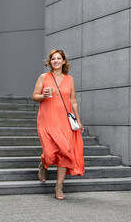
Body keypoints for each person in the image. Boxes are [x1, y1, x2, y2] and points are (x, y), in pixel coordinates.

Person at [32, 49, 85, 200]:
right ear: (50, 62)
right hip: (46, 120)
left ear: (63, 61)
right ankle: (44, 163)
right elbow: (34, 96)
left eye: (59, 58)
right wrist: (43, 95)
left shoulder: (70, 79)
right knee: (49, 153)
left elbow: (73, 101)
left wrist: (78, 120)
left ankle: (59, 187)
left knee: (64, 153)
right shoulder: (44, 77)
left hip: (63, 121)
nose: (56, 61)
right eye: (53, 59)